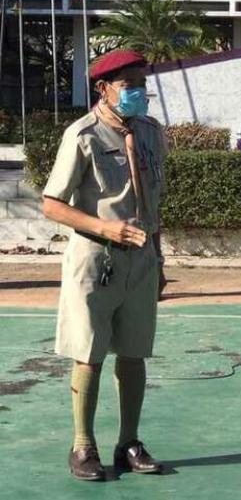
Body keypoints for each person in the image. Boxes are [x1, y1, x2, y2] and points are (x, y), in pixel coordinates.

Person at [42, 50, 167, 481]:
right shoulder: (83, 135)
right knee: (89, 355)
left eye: (142, 84)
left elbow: (153, 202)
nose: (139, 93)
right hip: (96, 261)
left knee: (134, 353)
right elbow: (51, 204)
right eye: (129, 85)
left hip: (141, 260)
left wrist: (159, 258)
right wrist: (104, 228)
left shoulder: (150, 132)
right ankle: (83, 446)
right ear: (104, 88)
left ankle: (128, 442)